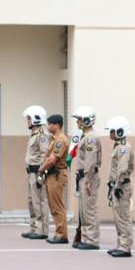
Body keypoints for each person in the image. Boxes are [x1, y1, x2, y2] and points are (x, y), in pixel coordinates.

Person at [72, 106, 101, 250]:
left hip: (89, 176)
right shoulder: (86, 136)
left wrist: (88, 180)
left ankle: (92, 240)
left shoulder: (90, 138)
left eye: (80, 120)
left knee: (89, 209)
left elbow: (90, 160)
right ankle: (86, 237)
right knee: (84, 209)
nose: (78, 122)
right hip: (84, 176)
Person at [104, 116, 134, 258]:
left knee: (123, 216)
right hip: (117, 185)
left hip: (121, 186)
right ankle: (120, 244)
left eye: (112, 131)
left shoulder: (123, 148)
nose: (110, 133)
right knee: (118, 217)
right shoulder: (119, 146)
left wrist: (117, 185)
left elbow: (122, 168)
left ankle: (125, 246)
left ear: (120, 131)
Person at [22, 105, 50, 240]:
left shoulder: (42, 135)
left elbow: (45, 155)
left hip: (37, 172)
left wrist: (41, 173)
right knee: (31, 201)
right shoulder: (33, 134)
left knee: (39, 201)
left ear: (36, 119)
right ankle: (33, 227)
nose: (27, 121)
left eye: (29, 118)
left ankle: (42, 230)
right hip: (31, 172)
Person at [41, 115, 70, 244]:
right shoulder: (54, 139)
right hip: (52, 175)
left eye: (49, 124)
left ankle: (62, 235)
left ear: (56, 125)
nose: (48, 126)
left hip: (57, 175)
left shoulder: (60, 140)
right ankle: (59, 233)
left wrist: (41, 169)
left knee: (57, 205)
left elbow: (52, 159)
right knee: (53, 205)